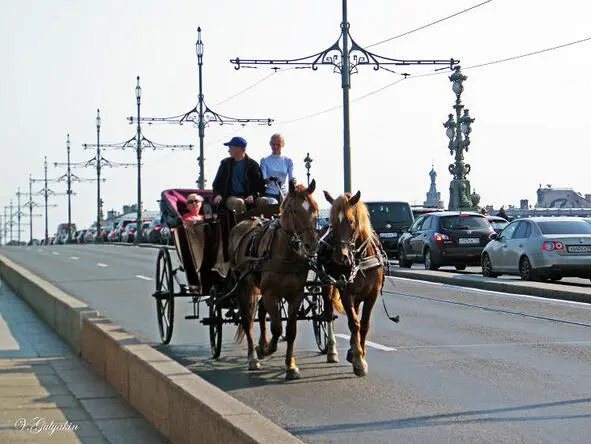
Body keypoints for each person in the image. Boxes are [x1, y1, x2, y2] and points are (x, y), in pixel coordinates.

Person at [212, 136, 267, 214]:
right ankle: (244, 226)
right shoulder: (225, 164)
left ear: (239, 148)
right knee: (239, 202)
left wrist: (252, 196)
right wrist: (218, 195)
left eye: (230, 147)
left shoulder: (253, 165)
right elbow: (216, 184)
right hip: (230, 197)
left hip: (249, 197)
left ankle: (263, 225)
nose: (228, 150)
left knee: (264, 201)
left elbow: (260, 186)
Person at [260, 133, 294, 203]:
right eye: (273, 144)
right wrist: (270, 178)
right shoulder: (264, 160)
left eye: (278, 144)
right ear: (270, 144)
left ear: (282, 145)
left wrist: (294, 182)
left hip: (284, 194)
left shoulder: (288, 160)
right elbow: (263, 180)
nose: (275, 147)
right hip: (270, 194)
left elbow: (291, 179)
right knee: (273, 202)